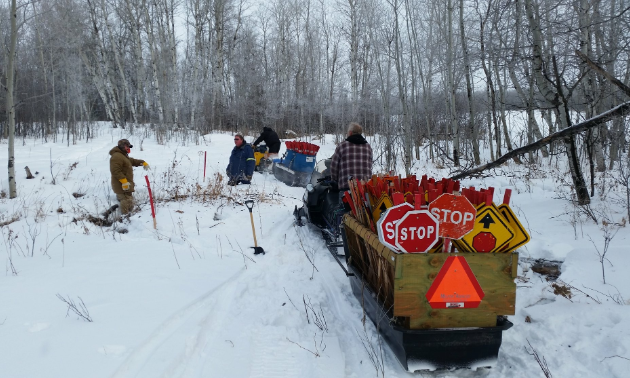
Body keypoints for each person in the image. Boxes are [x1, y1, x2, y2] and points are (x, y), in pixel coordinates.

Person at [109, 139, 150, 215]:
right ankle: (125, 217)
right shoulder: (117, 156)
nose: (129, 148)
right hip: (121, 185)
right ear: (122, 146)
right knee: (127, 200)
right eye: (127, 146)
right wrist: (124, 181)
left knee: (128, 200)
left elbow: (132, 161)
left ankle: (128, 215)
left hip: (125, 185)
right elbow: (115, 170)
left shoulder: (123, 156)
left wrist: (142, 162)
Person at [331, 122, 373, 194]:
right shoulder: (368, 147)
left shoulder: (342, 146)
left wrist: (334, 180)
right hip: (365, 189)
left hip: (346, 188)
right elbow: (370, 164)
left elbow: (334, 167)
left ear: (350, 133)